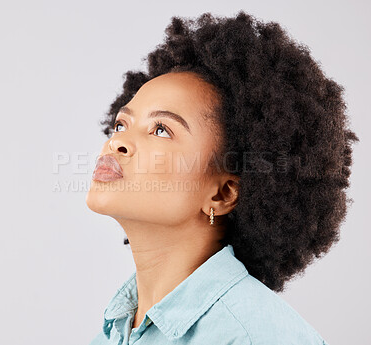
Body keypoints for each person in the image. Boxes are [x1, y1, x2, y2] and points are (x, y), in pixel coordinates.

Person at [85, 10, 358, 345]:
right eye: (121, 124)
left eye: (160, 129)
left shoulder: (257, 337)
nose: (117, 142)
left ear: (223, 194)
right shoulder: (110, 333)